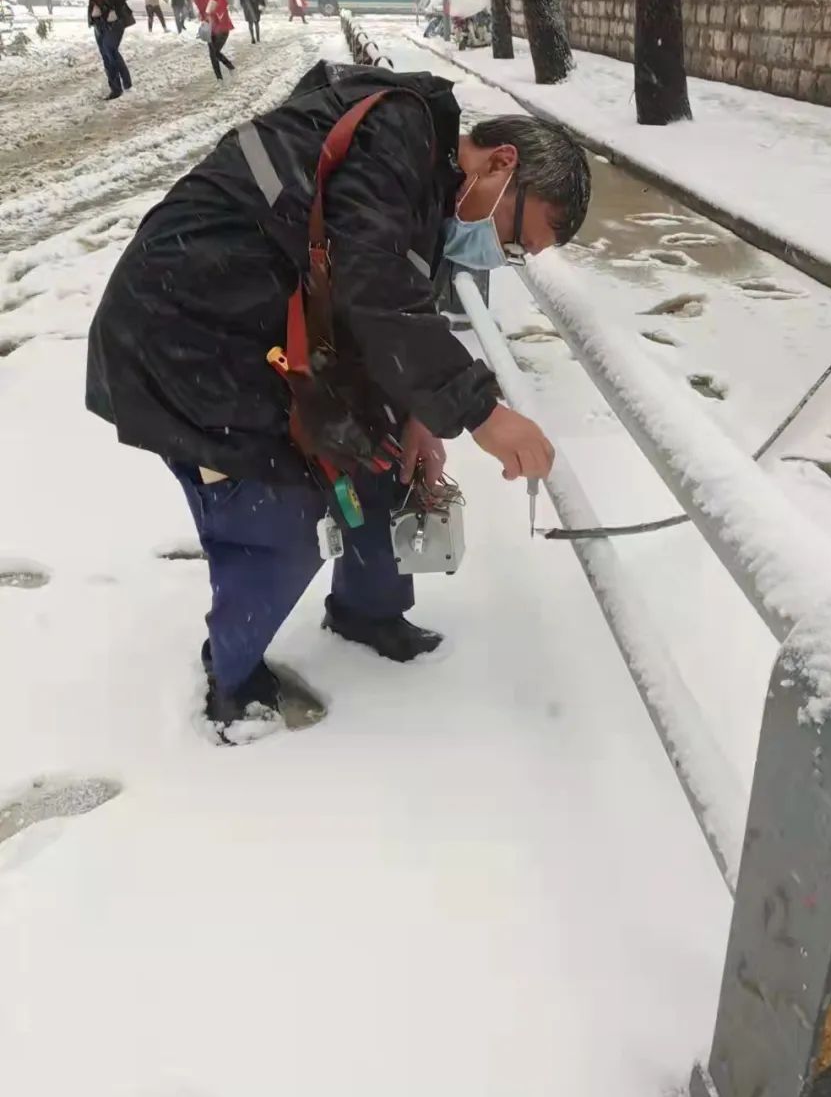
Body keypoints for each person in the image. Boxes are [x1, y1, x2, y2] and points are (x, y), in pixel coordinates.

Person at [85, 60, 590, 738]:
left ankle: (367, 609)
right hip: (187, 326)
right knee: (275, 514)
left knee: (380, 454)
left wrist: (413, 415)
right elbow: (372, 286)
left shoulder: (430, 186)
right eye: (515, 237)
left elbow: (378, 303)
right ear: (502, 163)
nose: (501, 253)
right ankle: (232, 682)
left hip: (257, 324)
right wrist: (478, 411)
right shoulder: (400, 135)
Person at [78, 0, 135, 100]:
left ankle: (125, 82)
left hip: (116, 17)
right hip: (98, 19)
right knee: (106, 53)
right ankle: (116, 88)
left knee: (109, 48)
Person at [180, 0, 235, 81]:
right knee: (212, 54)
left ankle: (231, 68)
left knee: (215, 52)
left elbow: (223, 2)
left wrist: (213, 10)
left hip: (222, 27)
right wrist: (203, 21)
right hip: (211, 29)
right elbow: (202, 13)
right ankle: (220, 79)